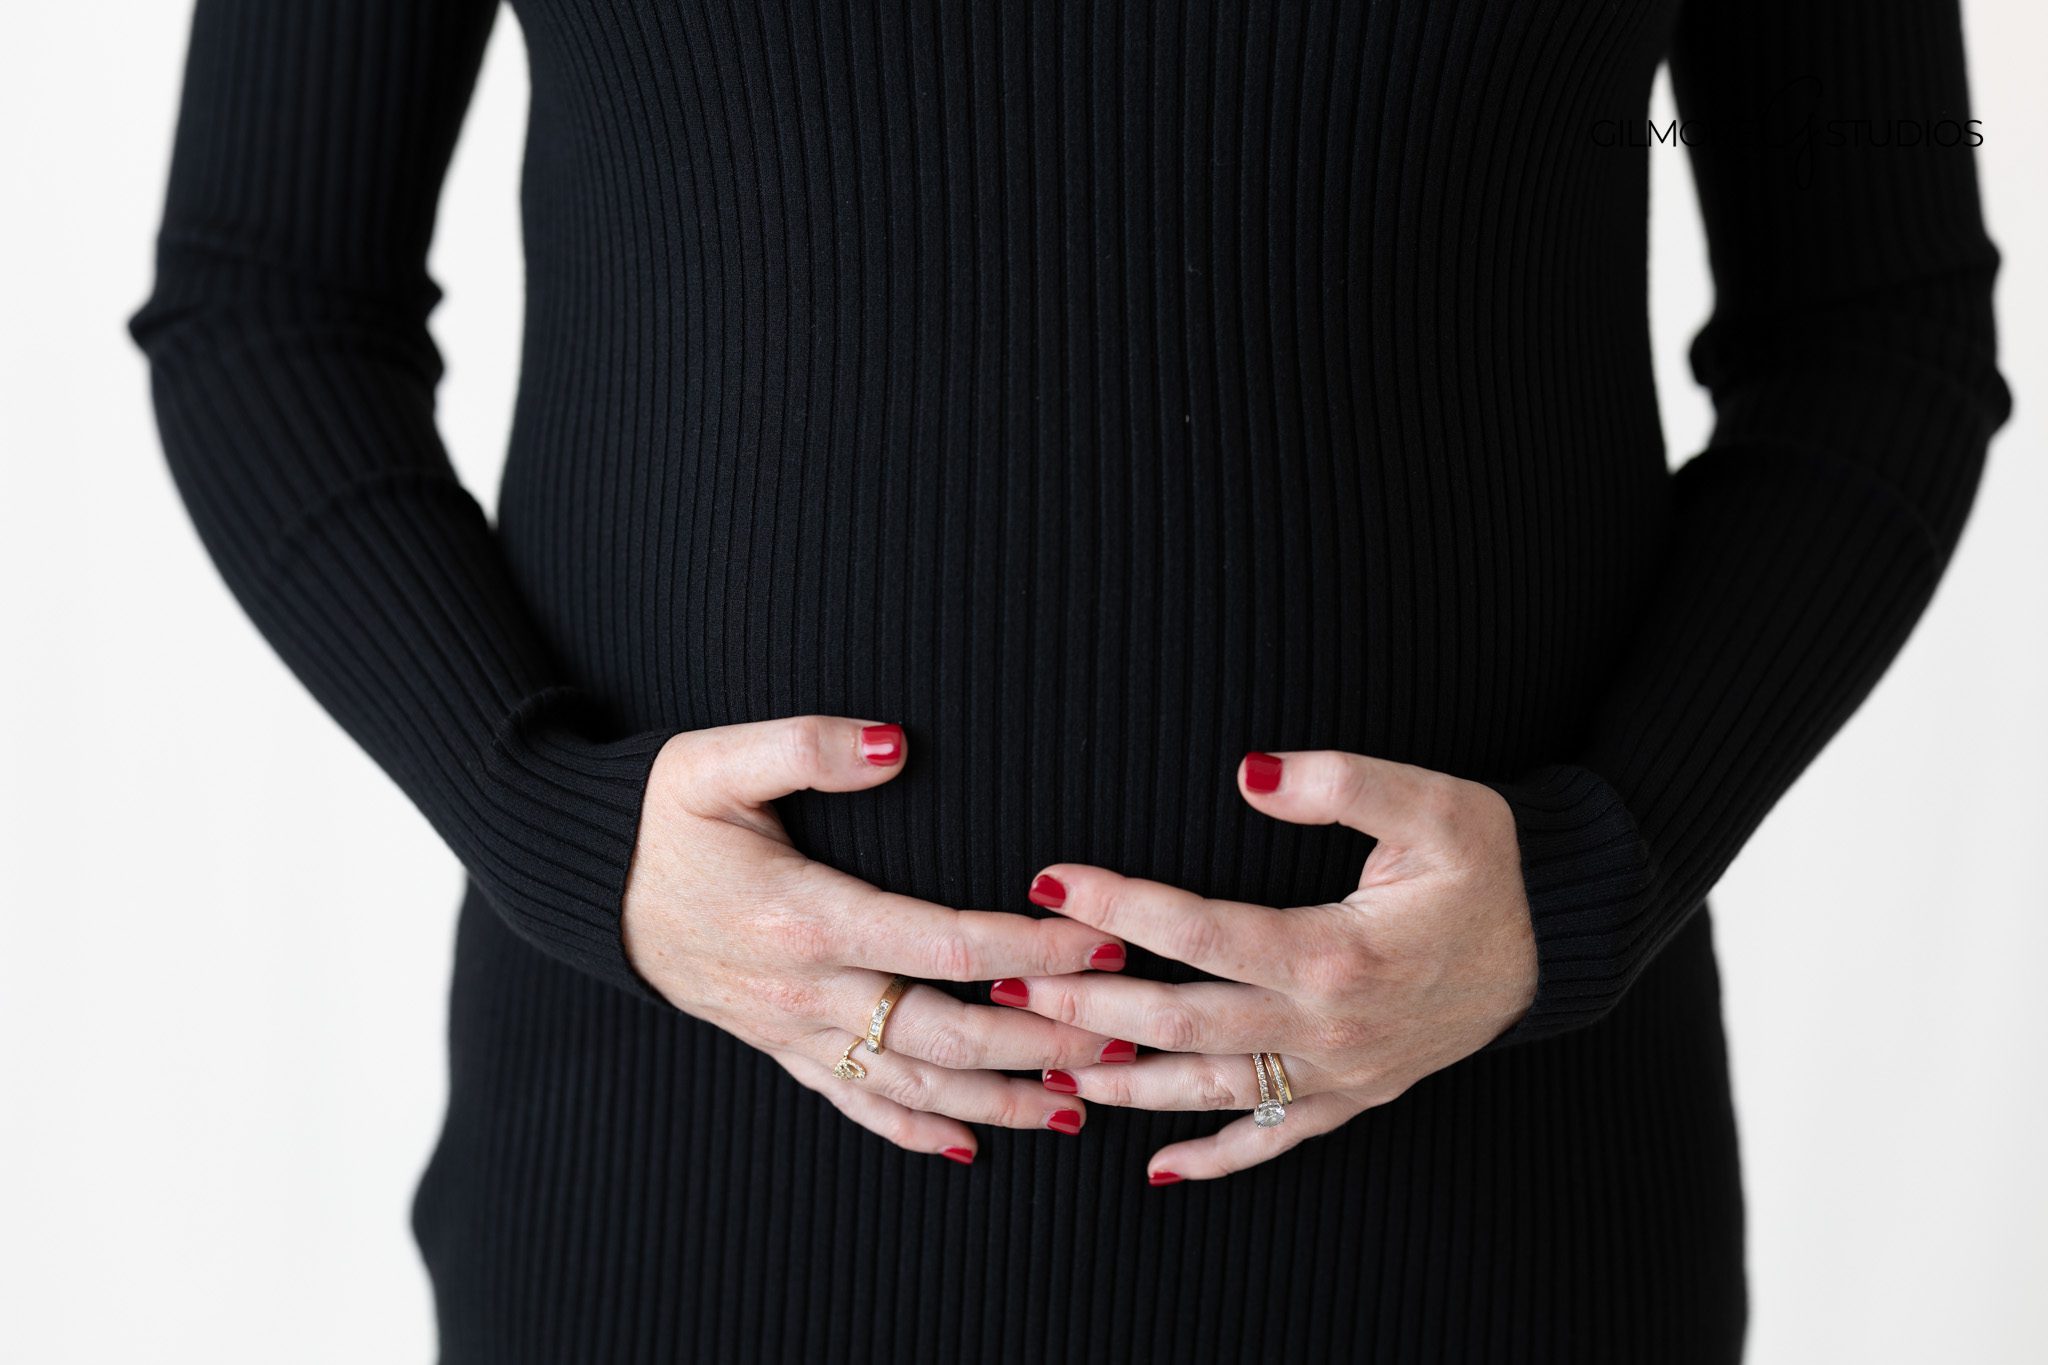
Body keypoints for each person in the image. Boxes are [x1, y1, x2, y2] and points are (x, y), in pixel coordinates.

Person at [129, 1, 2009, 1361]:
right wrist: (560, 833)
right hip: (683, 1214)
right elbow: (268, 296)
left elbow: (1878, 333)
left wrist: (1594, 877)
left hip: (1482, 1229)